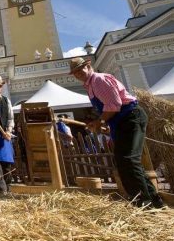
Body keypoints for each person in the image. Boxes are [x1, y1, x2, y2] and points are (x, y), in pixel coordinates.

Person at [69, 57, 164, 208]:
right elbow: (110, 108)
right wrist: (106, 125)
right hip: (122, 121)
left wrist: (100, 122)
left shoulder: (98, 80)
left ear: (88, 65)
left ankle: (143, 202)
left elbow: (114, 105)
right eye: (75, 72)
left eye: (80, 69)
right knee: (126, 160)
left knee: (128, 159)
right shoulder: (90, 85)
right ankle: (154, 201)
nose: (78, 74)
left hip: (130, 117)